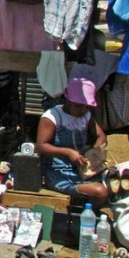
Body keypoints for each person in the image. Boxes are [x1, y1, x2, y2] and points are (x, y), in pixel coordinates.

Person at [36, 77, 108, 207]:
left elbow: (101, 137)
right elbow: (41, 146)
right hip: (59, 172)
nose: (83, 110)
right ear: (68, 100)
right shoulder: (52, 117)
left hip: (84, 171)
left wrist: (90, 151)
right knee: (100, 192)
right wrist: (67, 152)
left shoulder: (86, 115)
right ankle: (85, 212)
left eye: (87, 106)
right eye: (79, 106)